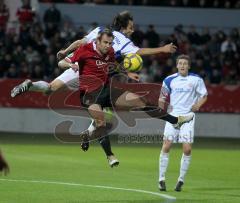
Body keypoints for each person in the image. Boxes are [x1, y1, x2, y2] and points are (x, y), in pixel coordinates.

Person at [58, 29, 194, 151]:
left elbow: (114, 65)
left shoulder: (110, 51)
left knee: (141, 102)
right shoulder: (85, 49)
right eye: (105, 42)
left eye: (110, 43)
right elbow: (62, 62)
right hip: (89, 95)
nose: (108, 45)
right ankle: (106, 151)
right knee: (102, 123)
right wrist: (70, 64)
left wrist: (127, 73)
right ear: (97, 41)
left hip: (106, 91)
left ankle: (175, 121)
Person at [158, 54, 207, 192]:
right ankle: (161, 179)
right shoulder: (169, 79)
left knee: (187, 149)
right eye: (180, 63)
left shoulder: (196, 79)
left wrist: (198, 105)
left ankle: (181, 180)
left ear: (189, 66)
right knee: (166, 146)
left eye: (185, 63)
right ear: (177, 65)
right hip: (173, 117)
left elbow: (204, 95)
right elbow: (161, 97)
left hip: (188, 118)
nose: (182, 65)